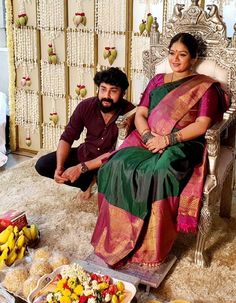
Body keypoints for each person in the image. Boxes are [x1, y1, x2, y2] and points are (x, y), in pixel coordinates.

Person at [91, 32, 229, 267]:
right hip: (147, 136)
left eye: (182, 54)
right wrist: (146, 135)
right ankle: (117, 235)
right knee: (115, 164)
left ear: (193, 58)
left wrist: (168, 140)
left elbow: (202, 125)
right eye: (172, 53)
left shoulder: (205, 87)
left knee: (159, 171)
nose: (175, 59)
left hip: (183, 143)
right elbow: (141, 113)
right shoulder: (156, 81)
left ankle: (149, 246)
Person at [35, 67, 134, 200]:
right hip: (86, 154)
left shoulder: (130, 113)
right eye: (103, 89)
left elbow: (117, 152)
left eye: (113, 91)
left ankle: (95, 179)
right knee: (43, 165)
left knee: (112, 188)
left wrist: (80, 168)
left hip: (109, 163)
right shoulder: (86, 106)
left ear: (122, 93)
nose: (106, 95)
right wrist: (60, 166)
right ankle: (86, 182)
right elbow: (67, 137)